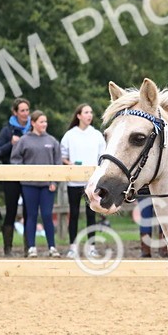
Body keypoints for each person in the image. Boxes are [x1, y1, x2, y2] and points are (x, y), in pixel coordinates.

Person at [11, 111, 62, 257]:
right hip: (29, 185)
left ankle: (52, 247)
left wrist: (54, 181)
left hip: (48, 185)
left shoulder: (52, 141)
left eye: (45, 122)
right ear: (33, 123)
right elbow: (15, 159)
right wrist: (23, 175)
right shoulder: (24, 140)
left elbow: (57, 162)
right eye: (41, 122)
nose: (44, 124)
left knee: (47, 214)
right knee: (31, 215)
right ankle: (31, 247)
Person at [60, 102, 106, 258]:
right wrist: (69, 163)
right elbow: (63, 156)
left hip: (92, 182)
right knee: (73, 213)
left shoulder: (97, 135)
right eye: (86, 112)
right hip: (74, 180)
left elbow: (103, 157)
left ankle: (91, 247)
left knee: (91, 214)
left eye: (91, 112)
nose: (89, 115)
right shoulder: (70, 135)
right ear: (78, 115)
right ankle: (73, 246)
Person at [0, 98, 31, 256]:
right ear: (15, 112)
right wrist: (11, 143)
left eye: (27, 110)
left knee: (29, 211)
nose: (25, 113)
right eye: (21, 110)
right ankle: (7, 248)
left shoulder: (33, 127)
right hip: (11, 175)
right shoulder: (7, 130)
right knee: (11, 210)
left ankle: (28, 248)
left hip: (29, 174)